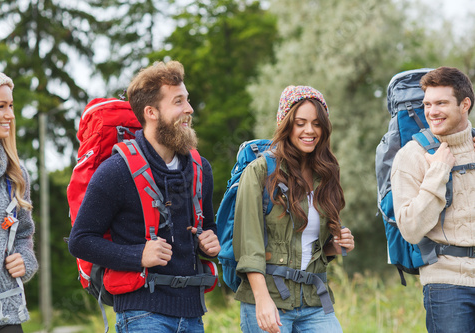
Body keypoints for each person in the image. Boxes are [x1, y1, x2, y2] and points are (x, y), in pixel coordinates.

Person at [68, 60, 220, 333]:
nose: (189, 109)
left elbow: (207, 226)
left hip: (194, 314)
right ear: (151, 112)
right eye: (178, 102)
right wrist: (138, 255)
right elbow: (80, 242)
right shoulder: (115, 172)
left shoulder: (200, 169)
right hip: (142, 316)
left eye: (187, 99)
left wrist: (209, 240)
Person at [233, 85, 355, 333]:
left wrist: (335, 245)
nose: (310, 130)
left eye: (317, 123)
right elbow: (249, 245)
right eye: (300, 123)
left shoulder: (327, 173)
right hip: (270, 299)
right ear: (286, 124)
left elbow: (309, 245)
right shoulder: (259, 171)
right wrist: (262, 299)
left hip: (314, 300)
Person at [391, 66, 475, 333]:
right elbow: (411, 229)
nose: (432, 111)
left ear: (465, 105)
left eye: (441, 103)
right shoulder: (411, 156)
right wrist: (438, 172)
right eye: (427, 104)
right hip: (446, 283)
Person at [0, 67, 38, 332]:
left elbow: (24, 233)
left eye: (11, 106)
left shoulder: (16, 175)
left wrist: (25, 259)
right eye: (1, 106)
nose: (10, 115)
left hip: (5, 314)